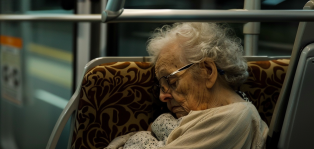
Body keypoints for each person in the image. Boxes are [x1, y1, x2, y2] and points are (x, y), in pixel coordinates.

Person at [105, 22, 268, 149]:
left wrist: (143, 136)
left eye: (171, 82)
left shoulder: (235, 117)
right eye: (161, 86)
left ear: (208, 71)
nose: (162, 96)